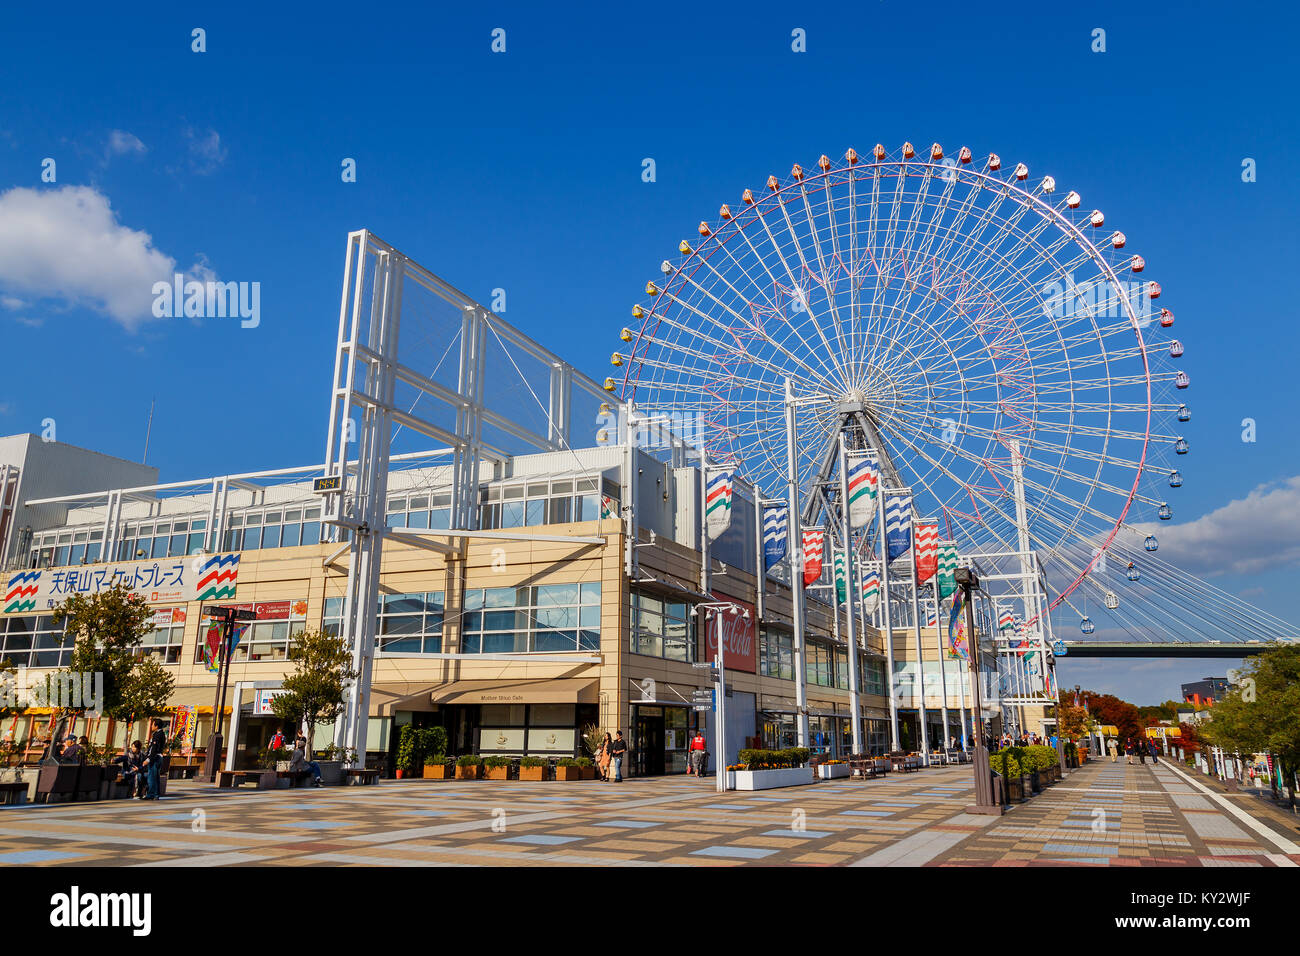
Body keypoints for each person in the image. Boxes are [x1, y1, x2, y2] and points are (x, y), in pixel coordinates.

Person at [142, 717, 167, 800]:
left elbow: (154, 749)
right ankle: (156, 794)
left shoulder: (157, 735)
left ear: (156, 726)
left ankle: (151, 794)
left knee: (151, 777)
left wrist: (148, 759)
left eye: (152, 724)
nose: (151, 726)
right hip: (159, 757)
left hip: (155, 758)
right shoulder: (161, 734)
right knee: (156, 777)